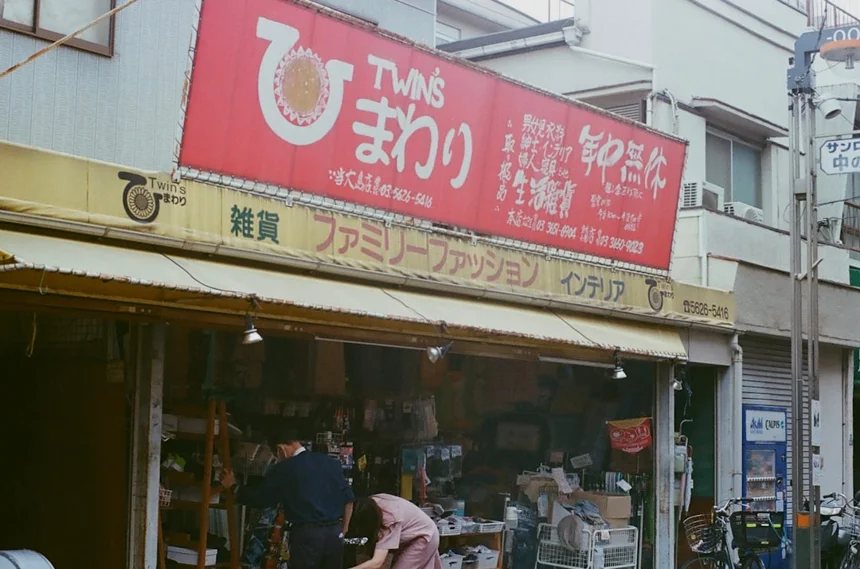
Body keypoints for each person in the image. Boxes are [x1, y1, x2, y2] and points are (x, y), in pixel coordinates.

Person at [218, 429, 355, 569]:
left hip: (307, 536)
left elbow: (261, 499)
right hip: (334, 534)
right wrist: (342, 531)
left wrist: (234, 486)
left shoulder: (285, 468)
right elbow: (349, 500)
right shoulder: (330, 462)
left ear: (280, 449)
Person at [346, 494, 442, 569]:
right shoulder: (371, 504)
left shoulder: (388, 521)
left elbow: (377, 562)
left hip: (424, 536)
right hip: (415, 533)